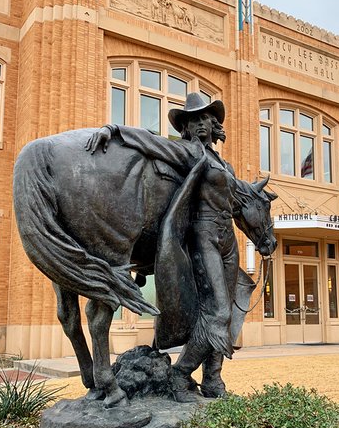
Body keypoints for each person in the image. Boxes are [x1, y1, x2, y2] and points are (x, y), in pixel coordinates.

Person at [87, 92, 242, 401]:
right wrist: (114, 130)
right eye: (192, 120)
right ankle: (180, 373)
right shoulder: (186, 151)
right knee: (218, 311)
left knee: (226, 310)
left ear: (215, 125)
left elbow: (240, 201)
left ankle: (213, 379)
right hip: (202, 238)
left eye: (204, 119)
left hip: (227, 240)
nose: (199, 125)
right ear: (184, 127)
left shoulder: (223, 163)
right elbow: (149, 141)